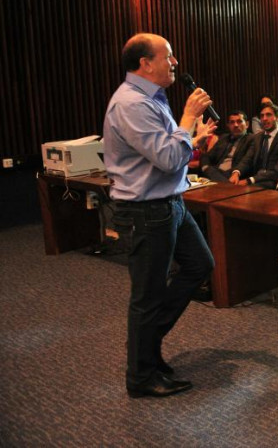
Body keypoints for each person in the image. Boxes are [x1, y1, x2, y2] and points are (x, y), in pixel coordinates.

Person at [103, 33, 215, 398]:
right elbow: (168, 158)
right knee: (147, 298)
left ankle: (147, 346)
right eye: (168, 56)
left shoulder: (152, 98)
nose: (175, 63)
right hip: (146, 211)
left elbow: (171, 153)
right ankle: (141, 374)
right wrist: (187, 117)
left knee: (199, 265)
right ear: (144, 64)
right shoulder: (131, 104)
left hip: (171, 203)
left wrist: (190, 136)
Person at [231, 103, 278, 188]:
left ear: (277, 118)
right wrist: (236, 172)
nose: (264, 118)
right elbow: (247, 159)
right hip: (255, 177)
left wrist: (250, 180)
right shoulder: (257, 137)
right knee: (227, 183)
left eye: (268, 115)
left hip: (275, 181)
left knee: (244, 190)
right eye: (262, 116)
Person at [198, 110, 254, 182]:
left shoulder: (252, 139)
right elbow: (207, 156)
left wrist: (209, 171)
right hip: (215, 172)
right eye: (232, 122)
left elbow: (246, 161)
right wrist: (206, 167)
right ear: (228, 125)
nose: (236, 125)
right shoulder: (224, 138)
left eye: (239, 121)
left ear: (247, 124)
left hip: (233, 175)